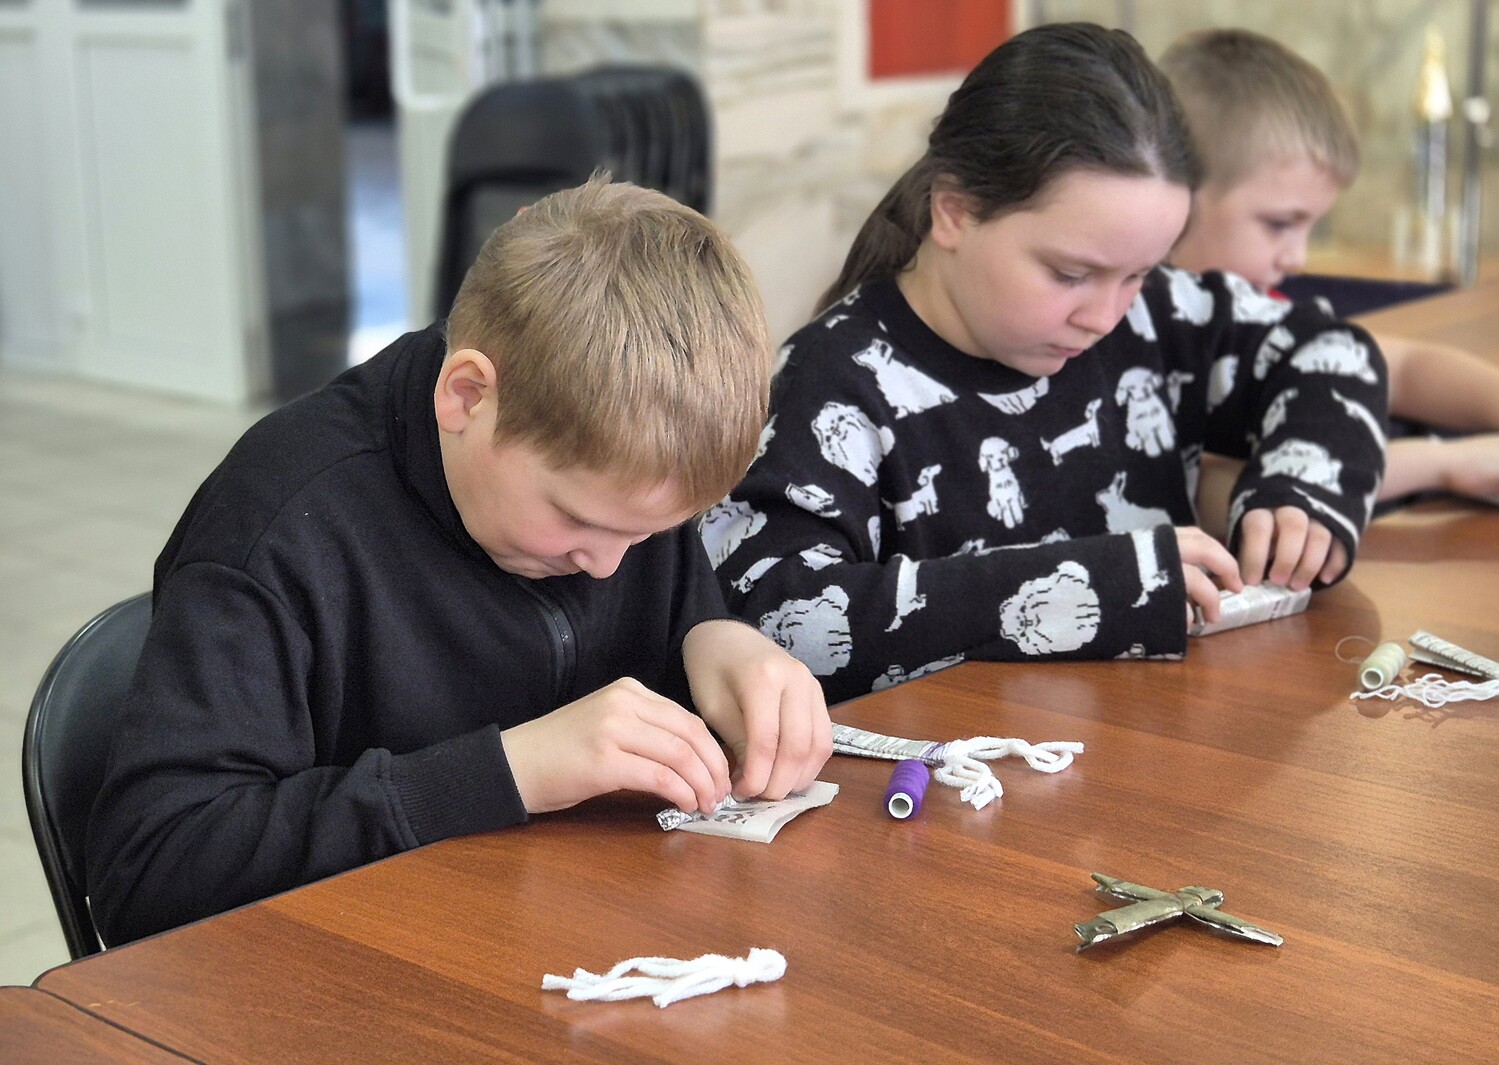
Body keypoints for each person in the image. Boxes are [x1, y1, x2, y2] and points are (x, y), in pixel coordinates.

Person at [87, 178, 833, 946]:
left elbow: (634, 616)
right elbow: (149, 871)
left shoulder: (608, 471)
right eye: (577, 519)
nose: (609, 567)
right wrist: (507, 771)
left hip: (564, 938)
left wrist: (711, 633)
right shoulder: (277, 529)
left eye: (651, 534)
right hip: (352, 973)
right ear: (467, 396)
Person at [704, 22, 1387, 703]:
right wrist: (1099, 582)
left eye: (1137, 274)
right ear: (954, 211)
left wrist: (1303, 485)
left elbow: (1333, 351)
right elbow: (774, 618)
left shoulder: (1158, 314)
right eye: (1070, 274)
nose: (1106, 316)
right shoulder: (834, 381)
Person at [1162, 27, 1499, 523]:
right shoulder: (1148, 334)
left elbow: (1399, 367)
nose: (1297, 258)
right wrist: (1446, 464)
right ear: (1172, 198)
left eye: (1311, 228)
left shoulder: (1257, 312)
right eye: (1279, 224)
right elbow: (1217, 492)